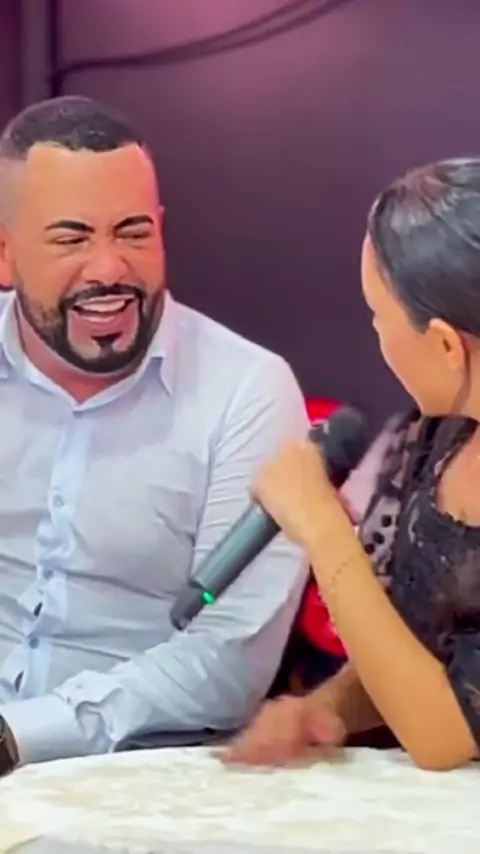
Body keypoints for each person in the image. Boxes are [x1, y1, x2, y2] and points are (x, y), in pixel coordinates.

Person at [0, 95, 309, 773]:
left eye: (133, 233)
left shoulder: (246, 389)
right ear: (5, 252)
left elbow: (228, 658)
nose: (109, 268)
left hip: (134, 776)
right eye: (72, 238)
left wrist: (17, 737)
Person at [223, 158, 480, 772]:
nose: (376, 335)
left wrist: (322, 527)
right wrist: (328, 707)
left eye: (377, 316)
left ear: (445, 344)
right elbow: (414, 655)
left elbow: (446, 734)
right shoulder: (437, 438)